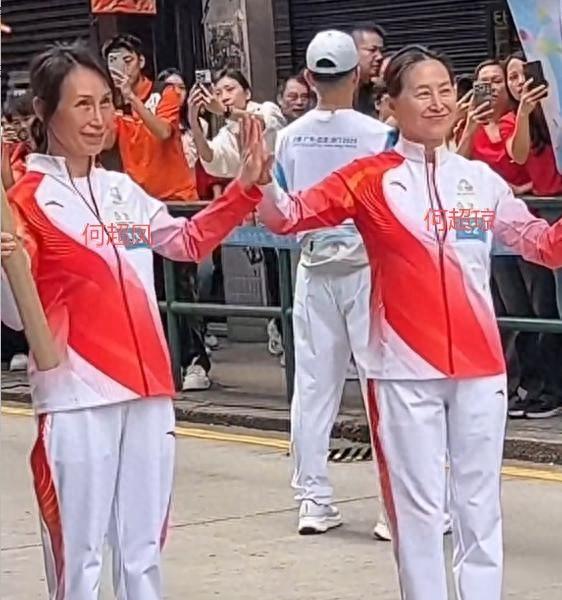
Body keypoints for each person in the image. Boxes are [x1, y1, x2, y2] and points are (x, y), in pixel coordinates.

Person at [240, 44, 562, 600]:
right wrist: (264, 182)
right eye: (422, 93)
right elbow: (289, 218)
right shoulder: (368, 179)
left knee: (479, 506)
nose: (437, 103)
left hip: (481, 368)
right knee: (417, 514)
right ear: (390, 104)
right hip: (402, 369)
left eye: (445, 91)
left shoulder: (479, 180)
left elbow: (542, 244)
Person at [0, 42, 263, 600]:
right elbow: (14, 314)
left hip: (148, 391)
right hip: (76, 396)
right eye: (81, 105)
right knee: (80, 556)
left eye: (105, 103)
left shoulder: (122, 191)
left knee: (143, 550)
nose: (98, 119)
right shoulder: (24, 201)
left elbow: (186, 242)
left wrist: (243, 191)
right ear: (44, 111)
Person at [271, 29, 395, 539]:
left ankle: (313, 501)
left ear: (308, 77)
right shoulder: (379, 136)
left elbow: (282, 206)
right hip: (369, 269)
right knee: (384, 386)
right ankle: (393, 507)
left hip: (314, 266)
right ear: (357, 75)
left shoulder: (288, 137)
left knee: (313, 388)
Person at [496, 52, 562, 418]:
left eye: (525, 74)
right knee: (537, 308)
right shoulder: (513, 120)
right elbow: (518, 155)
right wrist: (524, 112)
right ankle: (541, 387)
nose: (519, 82)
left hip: (550, 214)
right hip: (534, 222)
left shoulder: (556, 111)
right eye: (513, 77)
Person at [101, 34, 198, 201]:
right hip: (137, 199)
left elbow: (164, 132)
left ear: (141, 61)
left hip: (176, 196)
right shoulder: (111, 102)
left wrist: (131, 97)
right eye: (114, 62)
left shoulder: (165, 91)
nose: (123, 68)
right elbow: (105, 143)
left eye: (128, 61)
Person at [188, 68, 286, 179]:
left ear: (247, 93)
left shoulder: (267, 109)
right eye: (218, 94)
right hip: (251, 187)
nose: (224, 97)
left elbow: (262, 123)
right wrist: (193, 120)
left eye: (230, 89)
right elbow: (210, 158)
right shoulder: (226, 134)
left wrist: (224, 110)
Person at [456, 59, 531, 194]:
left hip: (531, 201)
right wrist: (469, 128)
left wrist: (523, 188)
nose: (491, 87)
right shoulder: (466, 125)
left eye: (497, 81)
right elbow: (456, 170)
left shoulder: (523, 119)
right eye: (483, 83)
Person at [347, 22, 386, 116]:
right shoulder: (335, 92)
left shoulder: (378, 93)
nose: (380, 57)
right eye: (372, 50)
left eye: (381, 51)